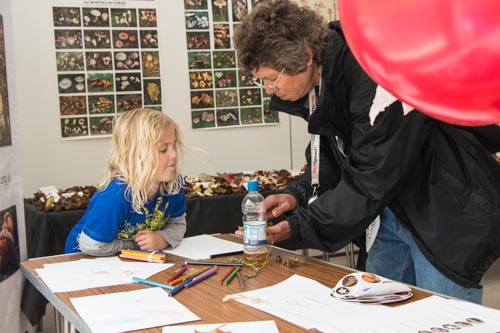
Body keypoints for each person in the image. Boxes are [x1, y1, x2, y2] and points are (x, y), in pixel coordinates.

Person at [233, 0, 500, 304]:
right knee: (376, 316)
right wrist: (297, 194)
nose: (269, 89)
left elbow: (369, 176)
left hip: (443, 215)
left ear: (305, 57)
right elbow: (335, 159)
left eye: (271, 79)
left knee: (442, 319)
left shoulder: (371, 76)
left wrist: (299, 226)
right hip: (388, 213)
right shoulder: (322, 83)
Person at [65, 109, 187, 256]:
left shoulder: (174, 185)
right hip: (85, 261)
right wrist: (134, 245)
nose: (174, 154)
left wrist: (163, 238)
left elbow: (178, 224)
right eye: (163, 149)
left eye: (174, 146)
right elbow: (91, 245)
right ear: (134, 156)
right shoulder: (115, 195)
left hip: (128, 261)